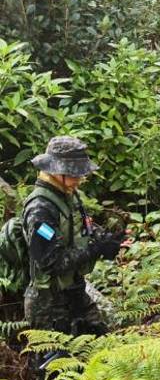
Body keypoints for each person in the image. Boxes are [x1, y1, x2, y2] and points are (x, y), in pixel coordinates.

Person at [23, 136, 123, 335]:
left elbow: (81, 227)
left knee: (103, 350)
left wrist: (107, 240)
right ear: (56, 171)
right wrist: (94, 250)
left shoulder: (68, 195)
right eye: (74, 174)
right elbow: (52, 262)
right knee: (56, 363)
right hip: (49, 306)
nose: (79, 179)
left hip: (75, 292)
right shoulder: (40, 210)